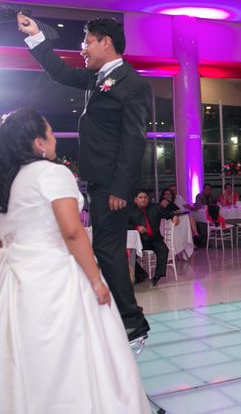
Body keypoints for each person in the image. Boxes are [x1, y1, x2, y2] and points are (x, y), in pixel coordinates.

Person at [0, 108, 149, 413]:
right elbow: (72, 233)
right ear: (39, 144)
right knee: (80, 355)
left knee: (33, 362)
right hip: (58, 279)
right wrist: (96, 279)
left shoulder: (12, 182)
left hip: (20, 284)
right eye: (51, 133)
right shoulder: (52, 172)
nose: (55, 139)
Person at [17, 13, 151, 342]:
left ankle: (131, 320)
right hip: (97, 180)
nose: (83, 49)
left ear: (107, 42)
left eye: (87, 42)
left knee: (107, 249)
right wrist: (35, 36)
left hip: (111, 185)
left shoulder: (133, 84)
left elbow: (134, 140)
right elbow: (60, 72)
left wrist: (121, 188)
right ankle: (122, 316)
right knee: (105, 248)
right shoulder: (98, 79)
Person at [129, 189, 178, 286]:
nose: (143, 200)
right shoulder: (130, 211)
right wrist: (136, 227)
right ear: (135, 200)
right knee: (128, 255)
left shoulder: (155, 208)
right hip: (139, 241)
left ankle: (156, 277)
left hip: (155, 239)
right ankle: (141, 275)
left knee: (164, 250)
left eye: (145, 197)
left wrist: (173, 216)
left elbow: (167, 212)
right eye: (140, 198)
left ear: (148, 199)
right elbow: (124, 225)